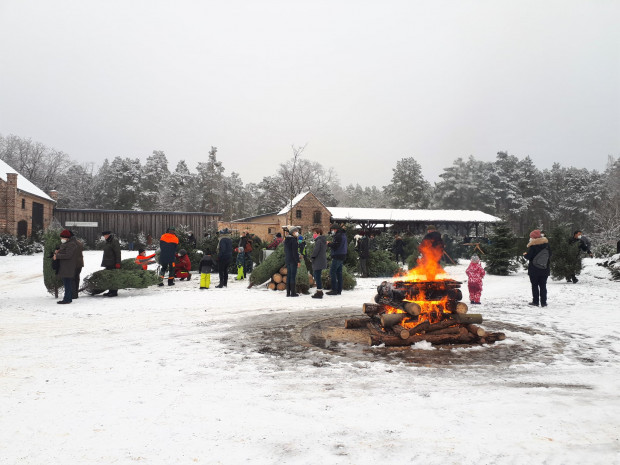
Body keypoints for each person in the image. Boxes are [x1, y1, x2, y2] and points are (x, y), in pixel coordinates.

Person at [524, 229, 551, 307]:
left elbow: (529, 256)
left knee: (534, 285)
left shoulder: (533, 246)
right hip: (544, 269)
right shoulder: (547, 245)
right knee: (543, 286)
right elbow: (550, 255)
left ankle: (535, 301)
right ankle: (543, 302)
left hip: (534, 269)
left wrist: (525, 254)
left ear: (533, 237)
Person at [53, 229, 79, 304]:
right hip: (65, 266)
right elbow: (64, 252)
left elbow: (68, 255)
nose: (61, 239)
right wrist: (57, 252)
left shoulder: (71, 244)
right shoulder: (67, 243)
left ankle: (67, 299)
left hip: (68, 267)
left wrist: (57, 256)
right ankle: (68, 298)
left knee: (67, 283)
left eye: (62, 238)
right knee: (67, 283)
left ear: (67, 237)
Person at [326, 223, 347, 295]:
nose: (332, 231)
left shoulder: (338, 235)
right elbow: (339, 244)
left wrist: (328, 244)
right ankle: (339, 290)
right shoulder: (343, 234)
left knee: (332, 272)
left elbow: (336, 245)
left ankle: (334, 289)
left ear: (336, 229)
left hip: (337, 255)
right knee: (339, 273)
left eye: (332, 230)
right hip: (342, 255)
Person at [101, 230, 121, 296]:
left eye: (105, 235)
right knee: (109, 277)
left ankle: (114, 292)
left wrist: (118, 262)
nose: (104, 237)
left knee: (113, 277)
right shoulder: (108, 241)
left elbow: (118, 252)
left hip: (113, 262)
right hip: (108, 262)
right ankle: (110, 291)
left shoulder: (114, 241)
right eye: (104, 236)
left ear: (108, 235)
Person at [283, 226, 301, 297]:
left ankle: (288, 293)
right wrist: (298, 261)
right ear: (293, 232)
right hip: (293, 260)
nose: (297, 232)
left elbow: (286, 251)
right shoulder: (293, 240)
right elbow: (295, 252)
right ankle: (293, 293)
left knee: (289, 276)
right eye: (296, 231)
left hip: (288, 259)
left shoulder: (286, 240)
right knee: (293, 276)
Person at [310, 227, 327, 299]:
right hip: (321, 260)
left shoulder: (319, 241)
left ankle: (319, 292)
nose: (313, 234)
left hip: (318, 260)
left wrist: (312, 257)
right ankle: (319, 291)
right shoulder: (322, 240)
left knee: (317, 276)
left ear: (318, 233)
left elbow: (316, 251)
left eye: (315, 233)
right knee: (318, 275)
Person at [69, 230, 84, 300]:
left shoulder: (71, 244)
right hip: (80, 263)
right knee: (76, 278)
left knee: (72, 279)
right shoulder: (79, 242)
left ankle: (73, 294)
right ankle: (75, 293)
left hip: (73, 264)